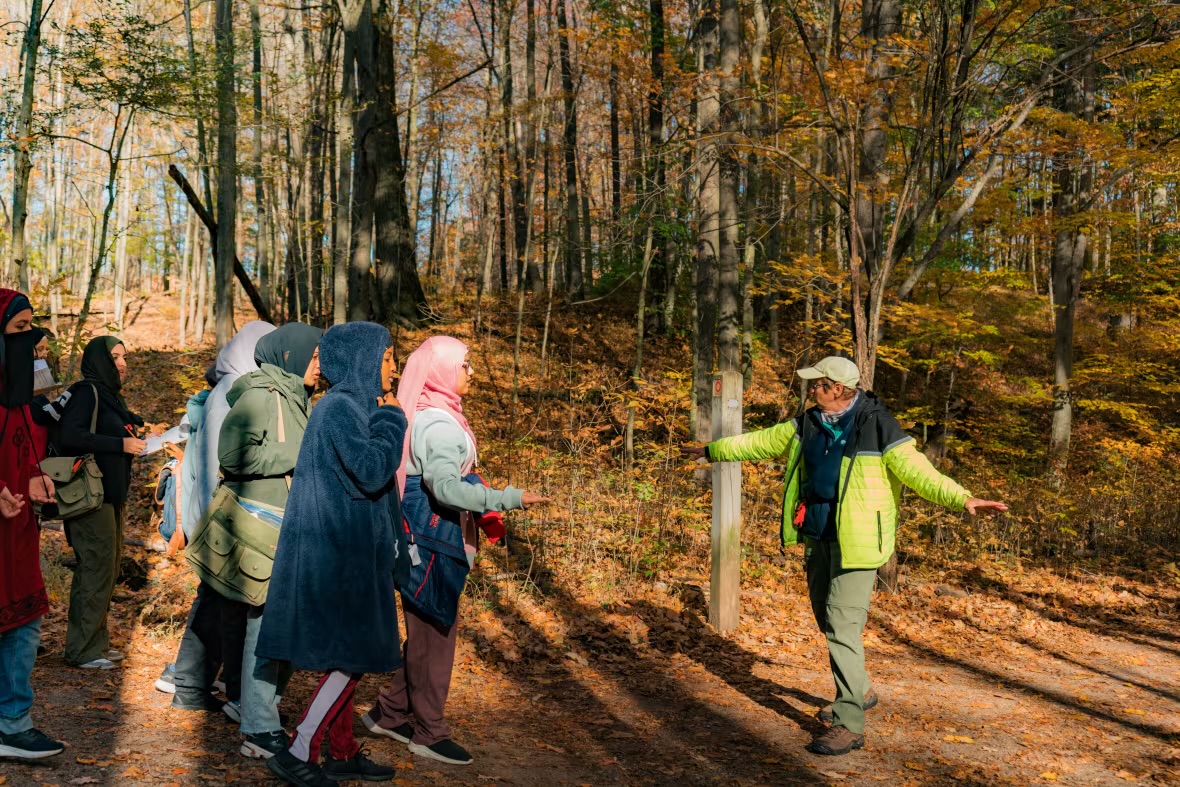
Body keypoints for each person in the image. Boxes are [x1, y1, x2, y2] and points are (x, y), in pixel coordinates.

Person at [683, 356, 1007, 757]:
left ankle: (849, 723)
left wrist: (963, 498)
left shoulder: (877, 425)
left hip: (860, 541)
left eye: (817, 385)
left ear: (838, 388)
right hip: (818, 533)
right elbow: (760, 441)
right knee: (825, 615)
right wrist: (712, 450)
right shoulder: (807, 423)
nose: (810, 391)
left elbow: (918, 471)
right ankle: (860, 688)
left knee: (841, 625)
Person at [362, 335, 548, 767]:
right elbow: (445, 488)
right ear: (443, 370)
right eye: (465, 365)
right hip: (431, 543)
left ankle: (389, 714)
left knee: (427, 632)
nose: (471, 372)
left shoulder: (433, 414)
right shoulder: (439, 424)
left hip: (425, 539)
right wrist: (508, 498)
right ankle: (429, 732)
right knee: (434, 637)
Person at [256, 321, 407, 787]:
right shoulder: (342, 408)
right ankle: (300, 747)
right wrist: (392, 419)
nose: (394, 368)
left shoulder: (348, 407)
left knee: (352, 654)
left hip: (353, 557)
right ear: (363, 359)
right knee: (352, 657)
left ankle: (340, 751)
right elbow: (370, 470)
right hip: (342, 561)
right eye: (386, 358)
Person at [216, 322, 322, 759]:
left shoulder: (300, 398)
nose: (320, 365)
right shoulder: (262, 394)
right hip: (264, 530)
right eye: (315, 356)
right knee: (267, 628)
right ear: (292, 355)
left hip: (291, 531)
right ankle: (258, 726)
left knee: (285, 629)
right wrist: (299, 454)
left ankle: (260, 712)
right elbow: (232, 456)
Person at [164, 321, 274, 709]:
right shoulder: (231, 392)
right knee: (216, 601)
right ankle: (190, 684)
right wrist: (225, 517)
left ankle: (189, 682)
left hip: (220, 514)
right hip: (220, 515)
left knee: (214, 599)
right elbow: (217, 462)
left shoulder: (237, 388)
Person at [0, 289, 64, 758]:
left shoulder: (16, 396)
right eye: (19, 329)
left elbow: (23, 447)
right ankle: (12, 725)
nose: (31, 338)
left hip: (18, 533)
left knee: (23, 624)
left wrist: (36, 475)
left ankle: (10, 720)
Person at [58, 336, 146, 670]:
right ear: (98, 360)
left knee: (107, 570)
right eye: (114, 357)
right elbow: (70, 435)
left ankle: (97, 643)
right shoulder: (86, 392)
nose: (122, 363)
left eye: (124, 357)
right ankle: (81, 650)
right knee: (94, 568)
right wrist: (120, 445)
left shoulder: (111, 397)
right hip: (90, 499)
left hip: (112, 496)